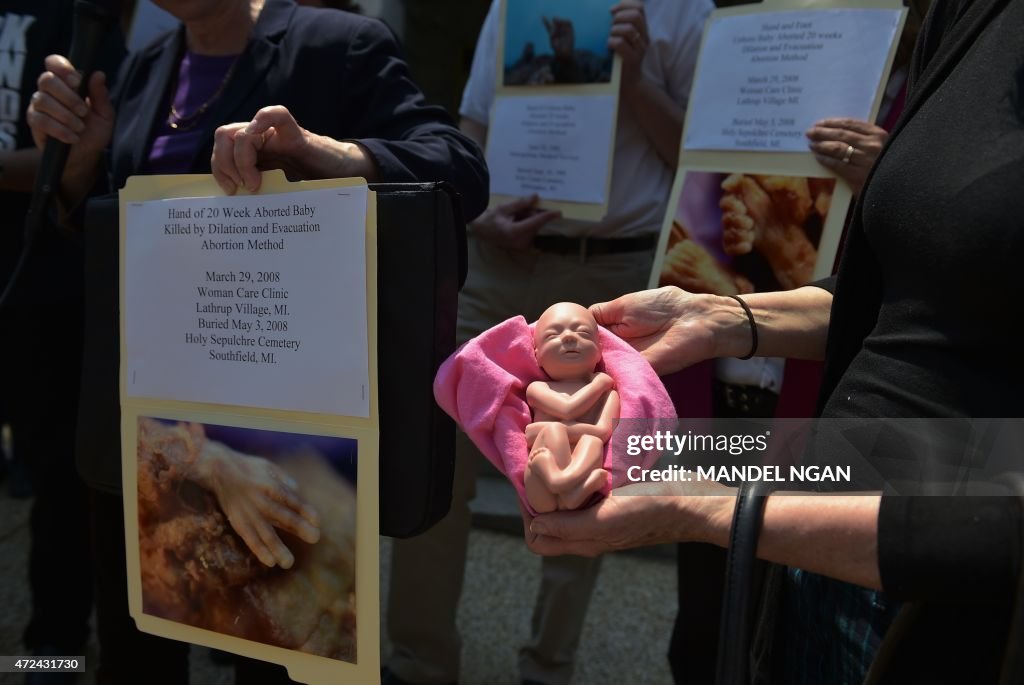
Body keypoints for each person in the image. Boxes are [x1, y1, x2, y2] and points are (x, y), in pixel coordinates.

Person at [524, 0, 1024, 681]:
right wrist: (724, 318)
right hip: (834, 502)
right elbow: (914, 297)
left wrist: (703, 507)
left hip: (937, 586)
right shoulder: (965, 16)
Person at [27, 1, 488, 682]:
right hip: (154, 427)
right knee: (135, 646)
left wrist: (327, 154)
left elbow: (459, 170)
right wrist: (77, 168)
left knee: (273, 651)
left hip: (280, 430)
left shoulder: (339, 45)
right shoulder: (149, 66)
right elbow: (114, 229)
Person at [384, 1, 711, 684]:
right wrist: (478, 215)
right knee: (436, 451)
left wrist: (637, 74)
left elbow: (699, 158)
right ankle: (418, 661)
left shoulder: (689, 10)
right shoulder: (516, 6)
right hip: (502, 264)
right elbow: (472, 134)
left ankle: (548, 666)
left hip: (615, 272)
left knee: (589, 465)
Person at [1, 3, 123, 679]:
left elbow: (83, 154)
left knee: (57, 480)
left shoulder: (81, 16)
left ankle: (54, 651)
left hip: (47, 280)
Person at [525, 303, 617, 514]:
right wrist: (597, 385)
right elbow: (567, 409)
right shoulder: (538, 389)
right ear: (537, 355)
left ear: (599, 351)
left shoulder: (609, 396)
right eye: (552, 335)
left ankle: (566, 483)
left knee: (590, 441)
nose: (568, 337)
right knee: (554, 430)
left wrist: (540, 430)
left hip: (575, 494)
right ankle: (560, 481)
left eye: (582, 332)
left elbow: (603, 433)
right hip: (541, 489)